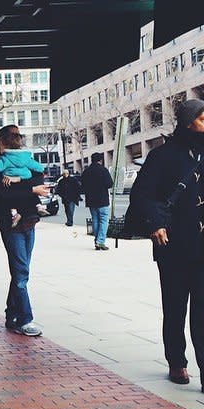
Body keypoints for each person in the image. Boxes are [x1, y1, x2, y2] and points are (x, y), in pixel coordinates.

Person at [129, 98, 204, 389]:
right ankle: (176, 362)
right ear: (188, 123)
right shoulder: (162, 156)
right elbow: (143, 194)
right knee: (175, 308)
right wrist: (156, 223)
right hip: (173, 244)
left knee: (202, 310)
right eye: (202, 119)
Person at [0, 125, 50, 337]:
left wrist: (17, 183)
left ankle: (12, 314)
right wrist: (30, 188)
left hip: (28, 220)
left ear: (0, 143)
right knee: (22, 271)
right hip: (11, 224)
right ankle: (25, 319)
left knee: (20, 271)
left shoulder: (2, 164)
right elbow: (3, 193)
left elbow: (39, 183)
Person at [0, 133, 47, 226]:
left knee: (11, 199)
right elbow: (39, 168)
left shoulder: (5, 158)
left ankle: (15, 213)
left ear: (3, 144)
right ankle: (39, 206)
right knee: (32, 195)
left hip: (10, 179)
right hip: (25, 176)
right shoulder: (26, 157)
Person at [82, 152, 114, 250]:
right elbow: (109, 184)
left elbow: (82, 186)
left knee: (95, 220)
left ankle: (97, 241)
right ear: (100, 160)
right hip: (102, 199)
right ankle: (100, 241)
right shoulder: (103, 170)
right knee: (104, 220)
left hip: (91, 200)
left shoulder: (86, 171)